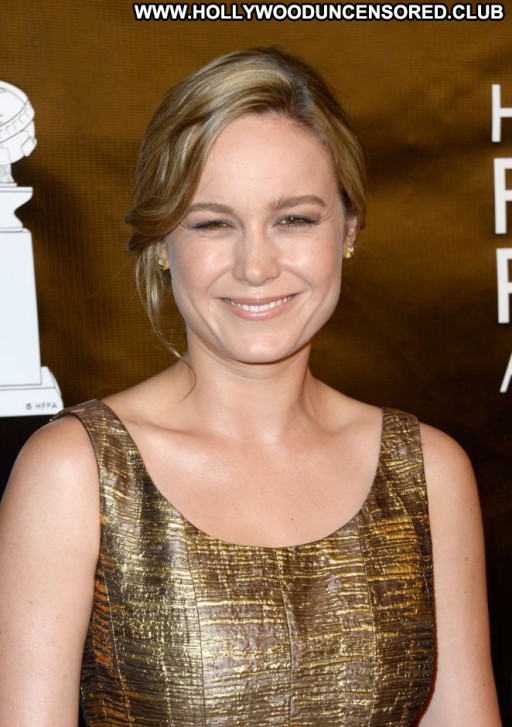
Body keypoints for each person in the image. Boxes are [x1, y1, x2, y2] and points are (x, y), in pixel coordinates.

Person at [0, 47, 501, 726]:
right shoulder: (76, 473)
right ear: (161, 242)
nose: (256, 265)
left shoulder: (428, 473)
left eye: (295, 218)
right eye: (213, 223)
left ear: (349, 228)